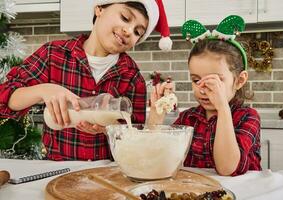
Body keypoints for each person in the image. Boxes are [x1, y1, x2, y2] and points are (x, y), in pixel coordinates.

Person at [0, 0, 172, 161]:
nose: (128, 31)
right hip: (58, 171)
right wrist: (45, 90)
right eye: (125, 18)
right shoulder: (54, 54)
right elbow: (5, 99)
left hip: (106, 175)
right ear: (99, 9)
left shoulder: (132, 77)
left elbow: (135, 140)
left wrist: (109, 129)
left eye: (137, 32)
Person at [148, 16, 261, 176]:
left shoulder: (247, 117)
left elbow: (227, 168)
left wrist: (223, 109)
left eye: (213, 81)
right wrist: (156, 114)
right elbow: (157, 157)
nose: (202, 89)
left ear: (239, 80)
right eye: (196, 80)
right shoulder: (187, 119)